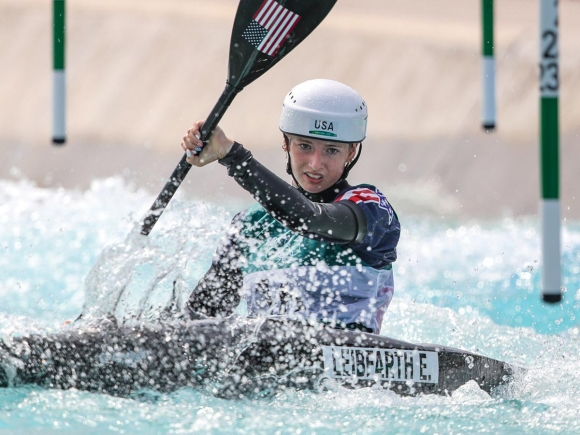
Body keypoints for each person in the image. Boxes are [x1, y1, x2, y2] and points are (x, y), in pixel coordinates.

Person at [182, 79, 400, 334]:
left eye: (331, 150)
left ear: (351, 152)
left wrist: (233, 156)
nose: (315, 164)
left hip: (345, 359)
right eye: (304, 147)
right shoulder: (251, 224)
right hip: (261, 363)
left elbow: (310, 219)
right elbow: (201, 319)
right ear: (286, 143)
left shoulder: (371, 209)